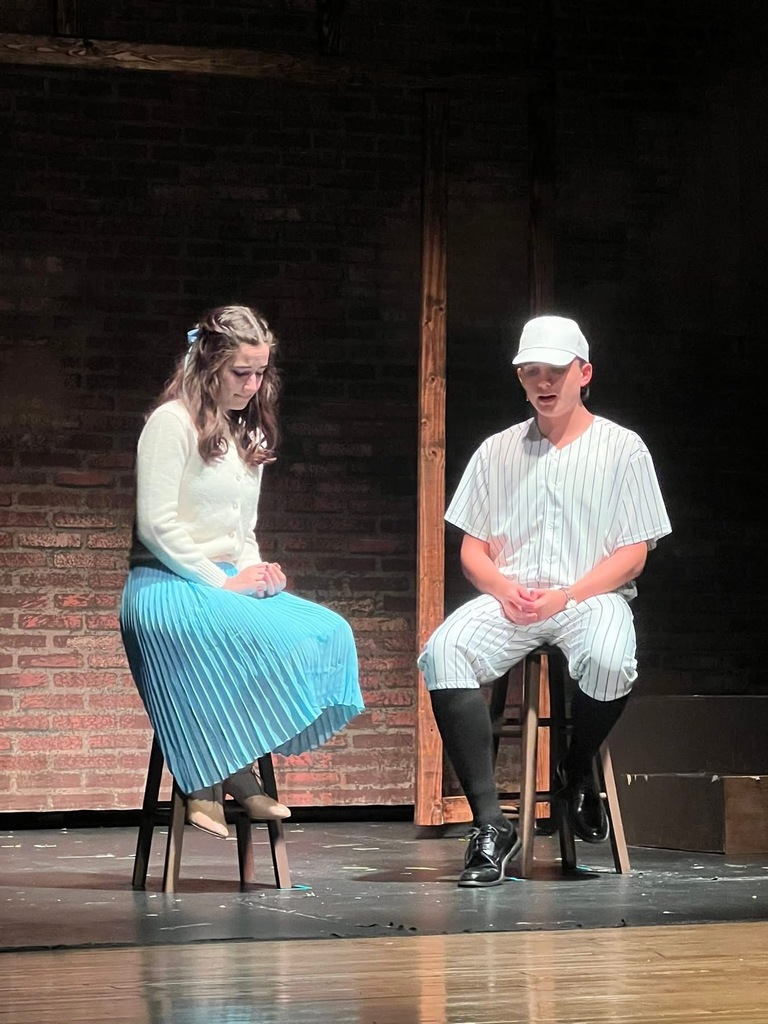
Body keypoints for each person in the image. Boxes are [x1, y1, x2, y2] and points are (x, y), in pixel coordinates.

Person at [418, 315, 671, 887]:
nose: (544, 382)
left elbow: (634, 554)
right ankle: (490, 824)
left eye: (555, 370)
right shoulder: (497, 451)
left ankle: (575, 771)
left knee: (608, 658)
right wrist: (503, 589)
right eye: (532, 371)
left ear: (584, 373)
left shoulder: (623, 449)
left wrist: (568, 595)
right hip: (513, 596)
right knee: (444, 651)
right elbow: (473, 551)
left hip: (589, 594)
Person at [120, 305, 364, 838]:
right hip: (165, 584)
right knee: (246, 637)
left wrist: (258, 573)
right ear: (209, 365)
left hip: (224, 580)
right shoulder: (172, 423)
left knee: (328, 630)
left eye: (260, 373)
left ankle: (228, 764)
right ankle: (211, 773)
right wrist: (223, 581)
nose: (252, 385)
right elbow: (156, 525)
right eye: (241, 372)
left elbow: (242, 533)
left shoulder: (246, 432)